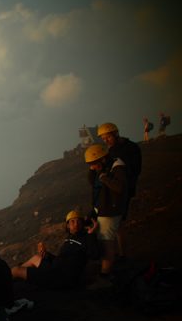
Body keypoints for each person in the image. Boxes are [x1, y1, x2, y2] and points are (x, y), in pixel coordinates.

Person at [11, 211, 97, 289]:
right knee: (36, 257)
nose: (76, 224)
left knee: (16, 270)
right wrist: (47, 255)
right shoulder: (69, 239)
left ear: (82, 223)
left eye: (79, 221)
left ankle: (3, 284)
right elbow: (62, 259)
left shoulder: (86, 238)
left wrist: (91, 235)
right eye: (72, 221)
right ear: (68, 225)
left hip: (60, 277)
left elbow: (94, 255)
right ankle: (14, 279)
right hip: (55, 269)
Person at [97, 122, 141, 258]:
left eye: (108, 137)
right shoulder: (112, 150)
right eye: (103, 139)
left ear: (116, 134)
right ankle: (118, 254)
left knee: (119, 224)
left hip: (121, 191)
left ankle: (121, 254)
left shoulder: (131, 148)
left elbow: (135, 170)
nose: (106, 141)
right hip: (115, 190)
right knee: (117, 225)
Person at [85, 143, 127, 280]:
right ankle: (110, 267)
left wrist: (104, 178)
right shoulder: (102, 169)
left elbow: (119, 188)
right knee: (106, 240)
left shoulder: (116, 166)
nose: (91, 167)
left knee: (106, 242)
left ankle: (105, 275)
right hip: (104, 209)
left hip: (110, 211)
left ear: (102, 159)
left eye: (94, 164)